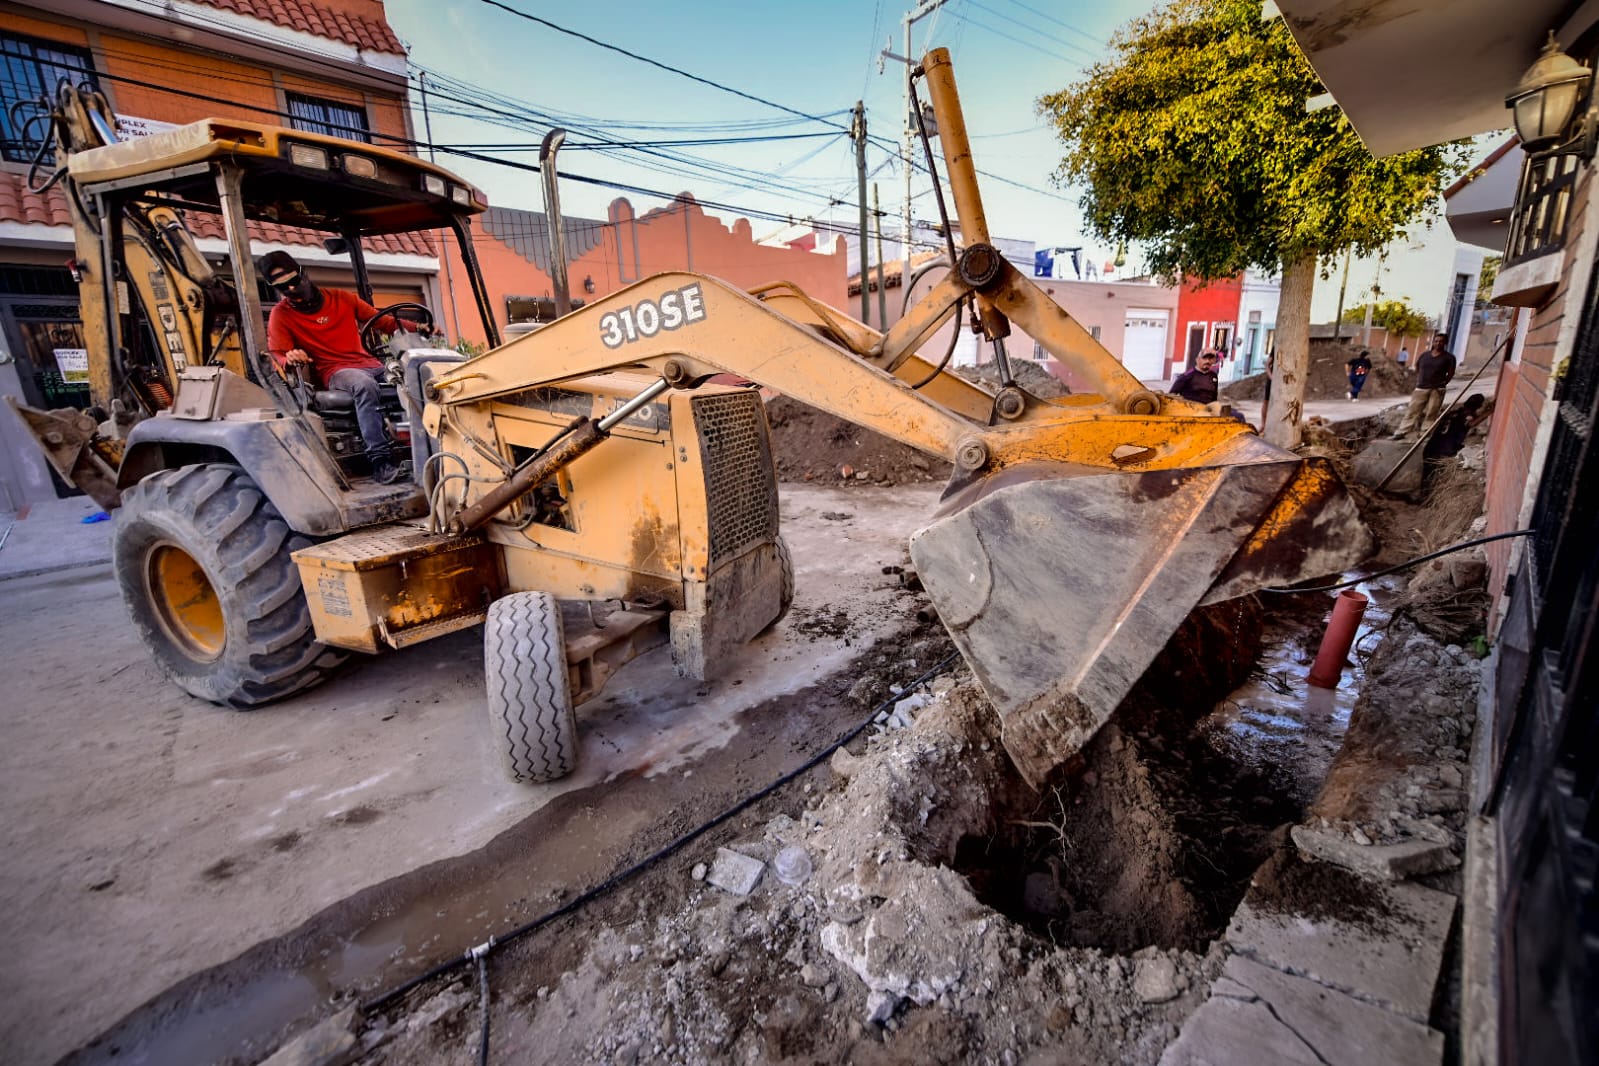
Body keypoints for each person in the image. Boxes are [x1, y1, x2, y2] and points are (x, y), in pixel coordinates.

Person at [260, 250, 413, 483]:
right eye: (283, 288)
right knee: (363, 385)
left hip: (370, 364)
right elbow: (278, 353)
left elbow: (385, 322)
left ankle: (425, 447)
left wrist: (419, 328)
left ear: (303, 274)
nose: (291, 290)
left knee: (416, 376)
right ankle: (380, 461)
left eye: (293, 282)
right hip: (335, 371)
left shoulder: (342, 298)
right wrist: (290, 357)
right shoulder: (281, 315)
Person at [1394, 333, 1457, 439]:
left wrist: (1443, 383)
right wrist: (1420, 379)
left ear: (1445, 343)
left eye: (1441, 341)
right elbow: (1418, 366)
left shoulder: (1449, 358)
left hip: (1437, 389)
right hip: (1421, 388)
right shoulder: (1425, 355)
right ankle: (1402, 431)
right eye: (1436, 341)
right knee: (1412, 410)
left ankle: (1425, 433)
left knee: (1431, 412)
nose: (1438, 343)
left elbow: (1451, 373)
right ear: (1433, 342)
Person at [1422, 394, 1489, 490]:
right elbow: (1470, 422)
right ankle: (1428, 496)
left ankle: (1424, 495)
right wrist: (1487, 414)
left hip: (1432, 446)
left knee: (1428, 474)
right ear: (1479, 406)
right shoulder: (1467, 415)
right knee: (1435, 475)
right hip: (1442, 451)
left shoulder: (1455, 413)